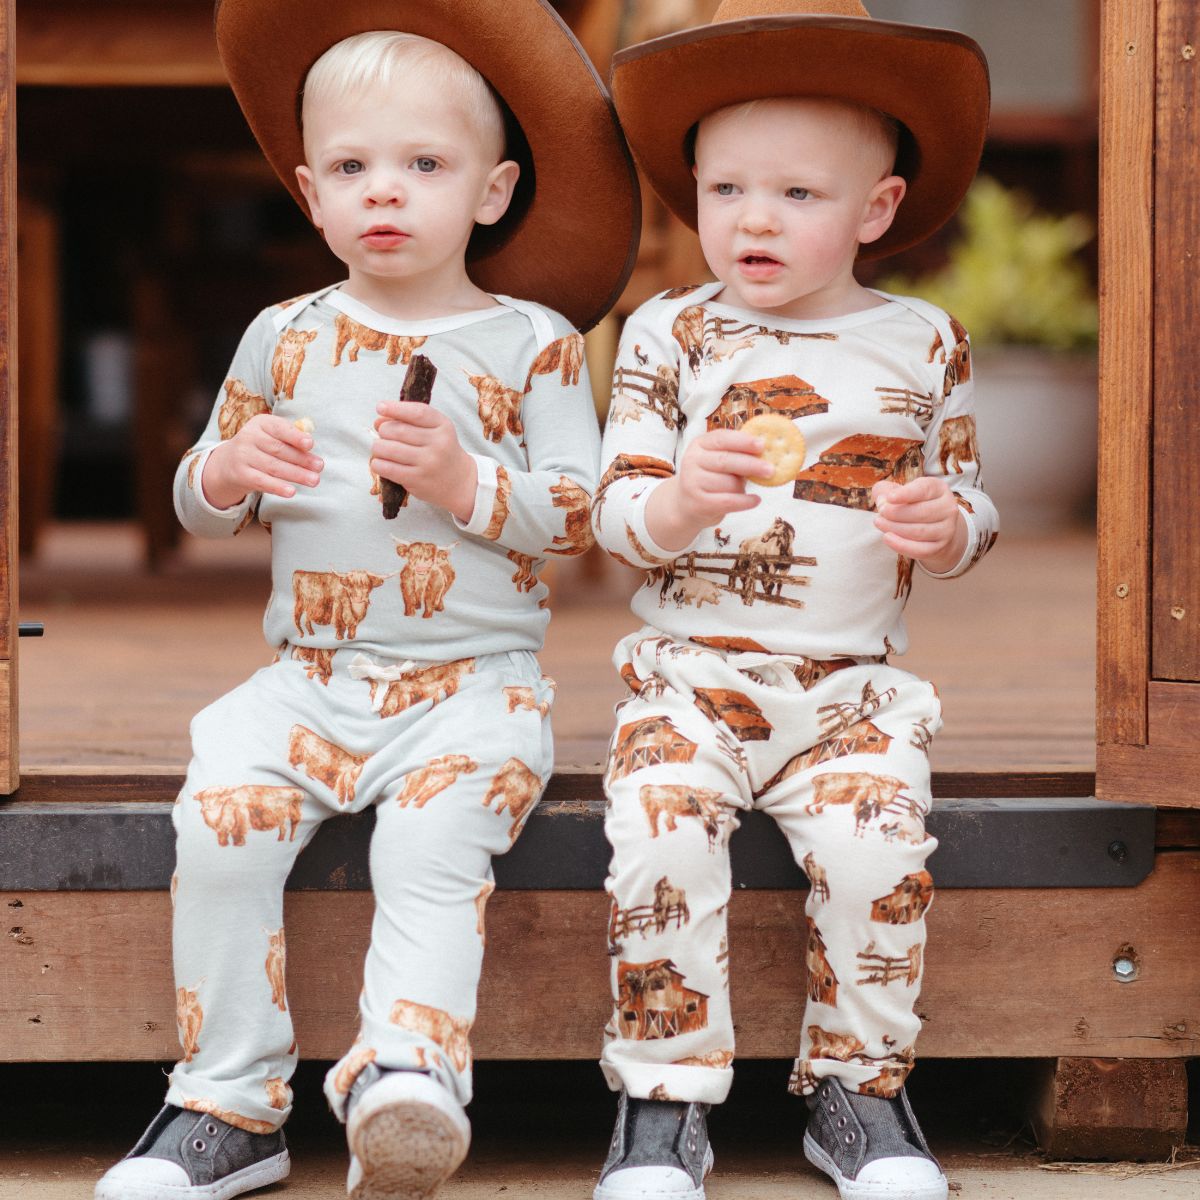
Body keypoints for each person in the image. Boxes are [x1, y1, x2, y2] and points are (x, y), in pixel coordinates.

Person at [94, 2, 638, 1197]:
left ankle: (408, 1070)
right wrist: (226, 474)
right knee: (218, 823)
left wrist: (463, 480)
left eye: (424, 165)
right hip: (308, 679)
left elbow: (583, 511)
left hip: (474, 690)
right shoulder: (282, 335)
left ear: (493, 192)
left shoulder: (534, 343)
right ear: (309, 194)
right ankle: (227, 1102)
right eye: (350, 168)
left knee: (432, 844)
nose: (383, 191)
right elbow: (196, 498)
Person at [589, 3, 995, 1199]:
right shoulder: (669, 331)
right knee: (659, 835)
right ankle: (662, 1101)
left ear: (876, 209)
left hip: (853, 693)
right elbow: (616, 514)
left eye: (796, 194)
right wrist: (679, 502)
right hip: (689, 678)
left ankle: (856, 1091)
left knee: (880, 859)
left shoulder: (925, 342)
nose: (753, 219)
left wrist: (948, 527)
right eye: (725, 190)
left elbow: (971, 500)